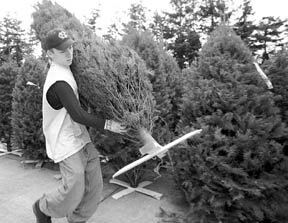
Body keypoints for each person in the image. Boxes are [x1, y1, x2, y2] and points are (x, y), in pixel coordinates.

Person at [33, 28, 127, 223]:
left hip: (80, 137)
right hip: (64, 140)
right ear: (49, 53)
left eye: (70, 48)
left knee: (94, 186)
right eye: (62, 51)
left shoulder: (69, 68)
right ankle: (43, 207)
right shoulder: (58, 81)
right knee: (75, 185)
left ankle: (77, 219)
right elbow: (78, 115)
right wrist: (109, 124)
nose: (69, 54)